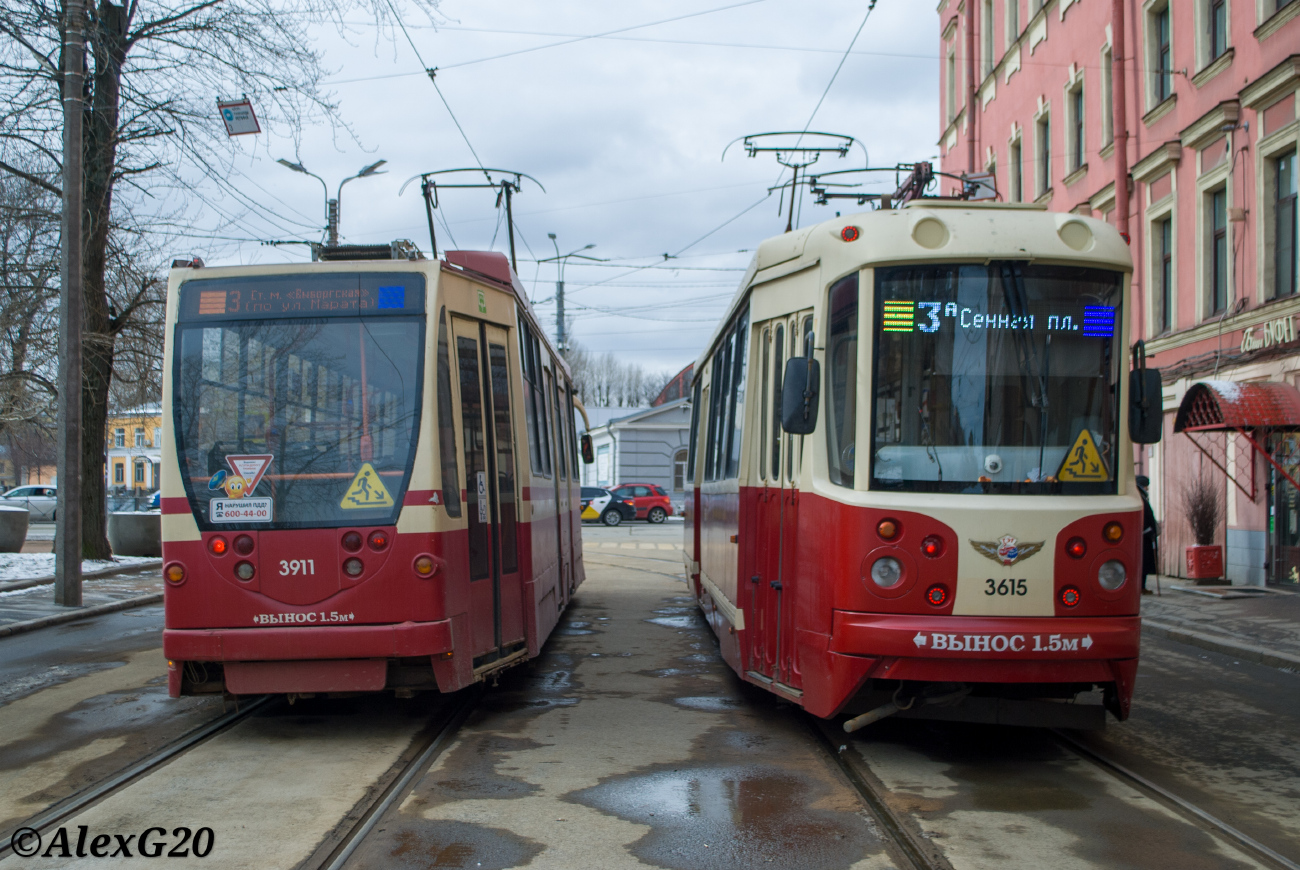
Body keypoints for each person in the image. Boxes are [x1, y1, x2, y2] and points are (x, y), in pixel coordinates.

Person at [1136, 475, 1159, 594]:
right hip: (1144, 537)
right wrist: (1148, 530)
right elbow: (1142, 517)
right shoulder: (1140, 498)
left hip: (1146, 536)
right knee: (1143, 563)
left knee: (1145, 563)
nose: (1147, 488)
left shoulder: (1141, 497)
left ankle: (1142, 586)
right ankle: (1141, 587)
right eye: (1146, 486)